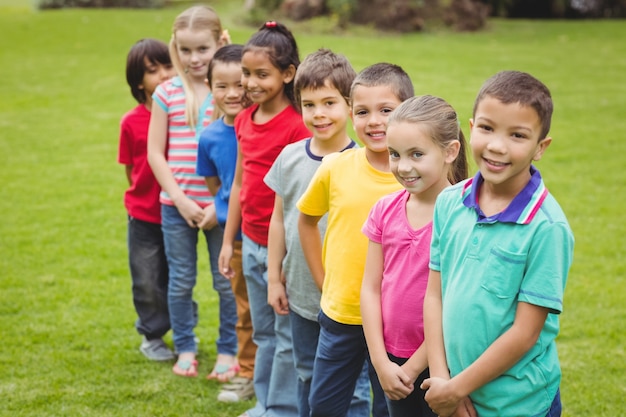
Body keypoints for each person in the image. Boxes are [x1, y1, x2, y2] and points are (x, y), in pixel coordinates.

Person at [420, 70, 574, 417]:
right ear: (472, 128)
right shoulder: (449, 202)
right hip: (455, 391)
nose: (497, 146)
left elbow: (524, 333)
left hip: (519, 404)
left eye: (518, 135)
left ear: (540, 147)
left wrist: (457, 389)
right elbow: (434, 294)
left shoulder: (547, 228)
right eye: (487, 128)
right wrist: (445, 382)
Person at [297, 62, 414, 417]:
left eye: (386, 111)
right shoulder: (335, 167)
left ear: (407, 111)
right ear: (351, 114)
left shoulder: (416, 176)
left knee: (390, 407)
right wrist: (323, 281)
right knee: (324, 406)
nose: (374, 121)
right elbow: (306, 221)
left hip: (396, 321)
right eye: (362, 112)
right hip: (342, 313)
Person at [264, 48, 370, 417]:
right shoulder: (290, 157)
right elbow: (279, 220)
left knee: (354, 387)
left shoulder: (365, 163)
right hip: (302, 295)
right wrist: (274, 278)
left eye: (329, 103)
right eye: (309, 105)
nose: (319, 114)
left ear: (349, 104)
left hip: (350, 301)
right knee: (308, 373)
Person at [218, 21, 311, 417]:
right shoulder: (243, 119)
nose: (250, 84)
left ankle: (285, 408)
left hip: (284, 249)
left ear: (288, 74)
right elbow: (240, 182)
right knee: (263, 332)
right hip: (250, 243)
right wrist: (228, 241)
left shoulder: (296, 127)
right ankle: (266, 402)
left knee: (287, 335)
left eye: (261, 75)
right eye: (246, 74)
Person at [361, 95, 468, 417]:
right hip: (388, 359)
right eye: (394, 154)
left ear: (450, 151)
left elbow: (454, 302)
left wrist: (412, 368)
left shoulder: (462, 217)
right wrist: (381, 362)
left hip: (443, 362)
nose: (403, 167)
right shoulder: (385, 209)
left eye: (416, 154)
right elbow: (370, 288)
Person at [147, 5, 237, 378]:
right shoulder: (167, 92)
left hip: (223, 207)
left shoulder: (231, 91)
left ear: (220, 42)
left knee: (226, 281)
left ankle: (229, 351)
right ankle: (185, 346)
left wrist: (219, 204)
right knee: (181, 280)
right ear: (175, 48)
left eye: (203, 48)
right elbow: (155, 152)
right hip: (177, 206)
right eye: (185, 50)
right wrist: (181, 200)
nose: (194, 58)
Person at [196, 44, 256, 402]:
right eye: (222, 86)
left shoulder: (263, 127)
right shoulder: (210, 137)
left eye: (240, 84)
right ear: (210, 86)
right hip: (234, 236)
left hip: (271, 229)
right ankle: (247, 372)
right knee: (244, 309)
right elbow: (217, 186)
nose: (232, 93)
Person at [118, 38, 176, 361]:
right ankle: (152, 335)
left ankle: (182, 331)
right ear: (139, 81)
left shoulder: (184, 115)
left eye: (168, 66)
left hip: (179, 212)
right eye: (153, 71)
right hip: (143, 214)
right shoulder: (131, 122)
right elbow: (131, 170)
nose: (164, 75)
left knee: (179, 276)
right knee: (147, 277)